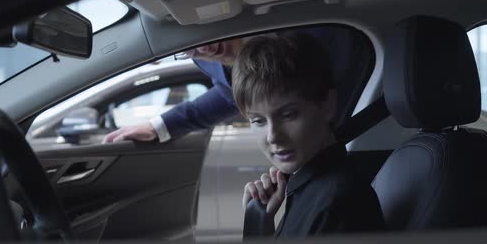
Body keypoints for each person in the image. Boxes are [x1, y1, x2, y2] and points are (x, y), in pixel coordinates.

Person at [233, 33, 385, 238]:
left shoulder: (337, 201)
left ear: (327, 105)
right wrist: (259, 221)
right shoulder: (307, 186)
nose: (272, 136)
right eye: (258, 121)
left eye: (288, 115)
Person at [102, 28, 342, 144]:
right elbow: (228, 93)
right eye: (189, 47)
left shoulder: (307, 35)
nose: (205, 49)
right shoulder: (206, 62)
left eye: (203, 33)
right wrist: (160, 126)